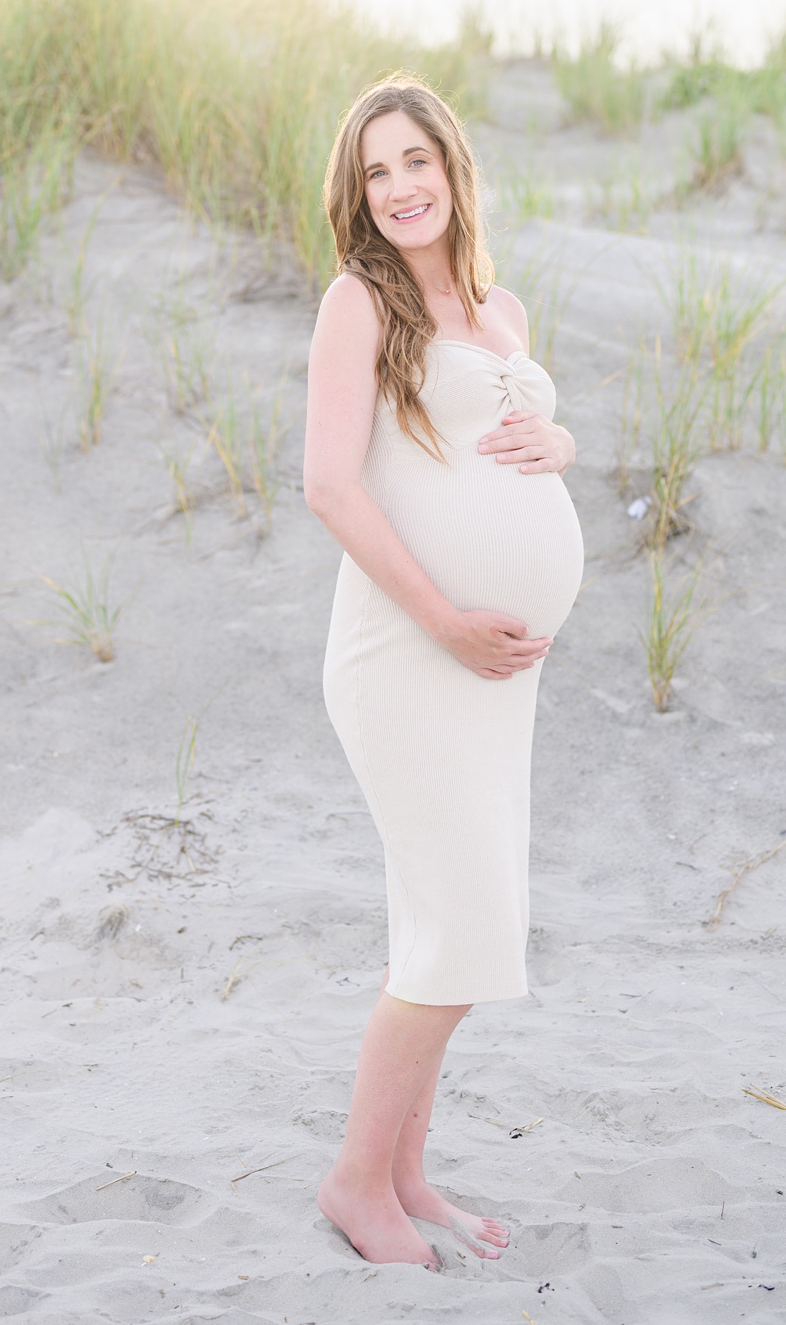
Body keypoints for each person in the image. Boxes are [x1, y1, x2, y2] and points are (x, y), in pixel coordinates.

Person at [302, 74, 584, 1269]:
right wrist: (449, 621)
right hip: (408, 658)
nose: (401, 185)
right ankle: (357, 1182)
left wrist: (562, 442)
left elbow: (515, 437)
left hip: (492, 675)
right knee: (463, 922)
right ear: (359, 196)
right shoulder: (357, 304)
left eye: (416, 159)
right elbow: (330, 484)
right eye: (377, 170)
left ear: (452, 168)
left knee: (452, 929)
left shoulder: (499, 308)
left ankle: (408, 1172)